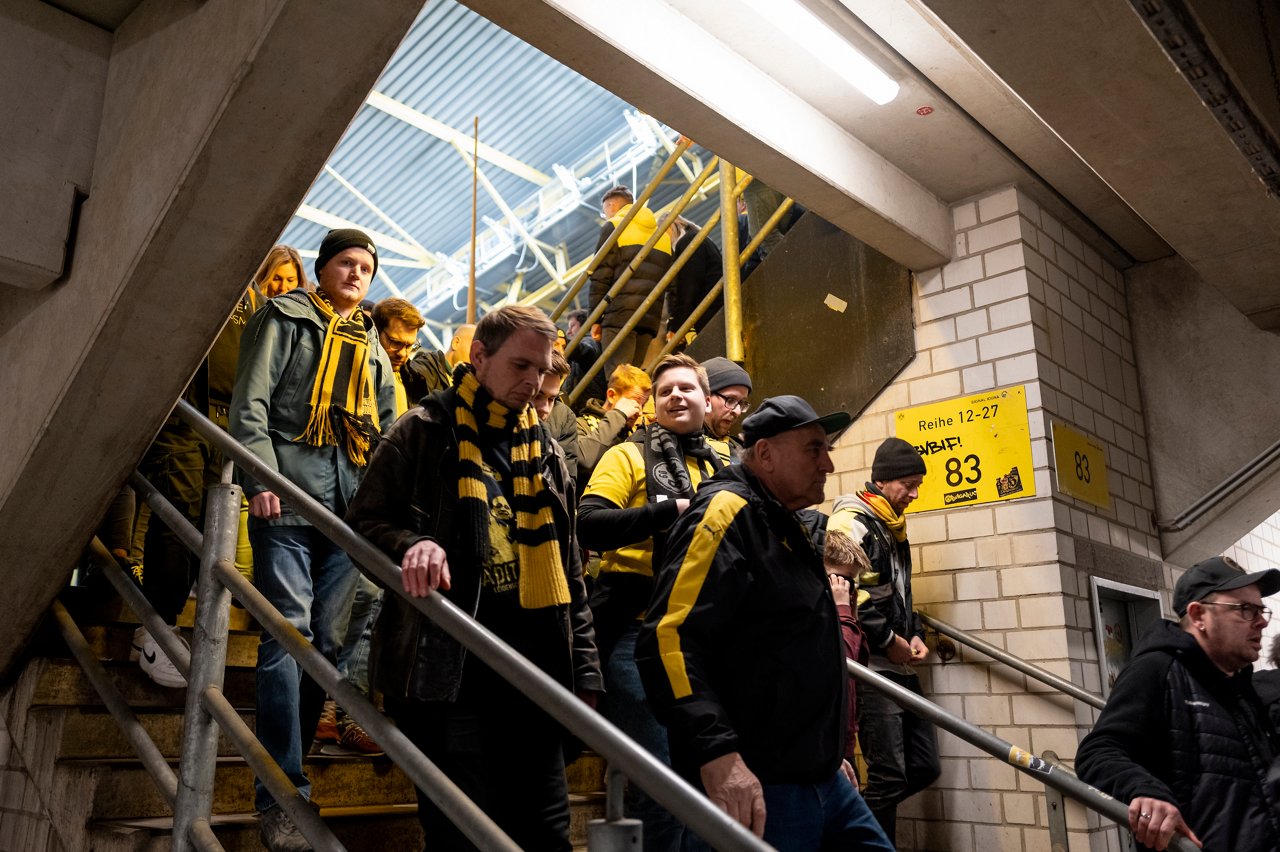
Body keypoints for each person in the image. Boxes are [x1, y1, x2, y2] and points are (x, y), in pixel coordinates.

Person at [345, 305, 601, 852]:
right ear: (479, 357)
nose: (533, 382)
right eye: (520, 366)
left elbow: (571, 575)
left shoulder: (550, 454)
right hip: (451, 678)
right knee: (461, 835)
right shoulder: (423, 430)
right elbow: (364, 524)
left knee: (547, 834)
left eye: (542, 368)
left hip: (536, 676)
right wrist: (411, 544)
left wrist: (587, 673)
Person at [636, 395, 892, 851]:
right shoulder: (725, 513)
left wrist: (824, 750)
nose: (828, 465)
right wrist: (716, 752)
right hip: (759, 784)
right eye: (814, 449)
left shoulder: (782, 522)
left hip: (822, 780)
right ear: (766, 454)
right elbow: (667, 638)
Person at [230, 228, 396, 852]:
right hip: (288, 499)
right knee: (289, 637)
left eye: (366, 269)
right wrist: (260, 476)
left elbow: (381, 437)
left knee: (324, 646)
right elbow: (251, 403)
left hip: (346, 516)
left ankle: (288, 781)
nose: (356, 275)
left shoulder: (373, 348)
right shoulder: (283, 316)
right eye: (346, 264)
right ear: (322, 269)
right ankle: (281, 794)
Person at [577, 354, 726, 852]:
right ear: (652, 406)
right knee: (663, 782)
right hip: (635, 638)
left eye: (687, 388)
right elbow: (590, 520)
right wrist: (669, 511)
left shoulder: (722, 465)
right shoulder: (627, 456)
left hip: (701, 641)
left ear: (708, 401)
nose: (676, 397)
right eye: (665, 392)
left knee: (707, 780)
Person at [1077, 556, 1280, 852]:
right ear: (1198, 616)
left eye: (1261, 609)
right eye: (1245, 610)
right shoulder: (1158, 669)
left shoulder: (1240, 685)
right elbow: (1098, 751)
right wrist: (1145, 791)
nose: (1261, 620)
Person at [827, 436, 939, 841]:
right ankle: (849, 836)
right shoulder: (852, 520)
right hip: (873, 666)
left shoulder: (892, 525)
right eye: (908, 484)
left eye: (916, 485)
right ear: (884, 480)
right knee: (888, 778)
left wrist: (916, 634)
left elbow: (900, 592)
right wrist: (888, 638)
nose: (913, 494)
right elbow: (843, 585)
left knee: (925, 766)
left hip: (899, 661)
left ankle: (843, 826)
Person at [588, 186, 673, 376]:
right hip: (649, 318)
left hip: (619, 314)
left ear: (611, 206)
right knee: (635, 380)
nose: (606, 216)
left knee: (618, 379)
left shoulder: (614, 227)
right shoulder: (661, 236)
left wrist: (594, 318)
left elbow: (601, 275)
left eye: (605, 212)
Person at [825, 529, 871, 777]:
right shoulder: (815, 614)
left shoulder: (843, 614)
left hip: (844, 740)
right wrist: (842, 610)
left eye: (851, 582)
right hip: (827, 744)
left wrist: (850, 612)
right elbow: (844, 661)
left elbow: (860, 663)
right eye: (839, 579)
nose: (846, 588)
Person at [576, 364, 652, 488]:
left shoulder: (631, 434)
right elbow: (585, 460)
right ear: (611, 395)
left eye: (642, 406)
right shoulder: (579, 425)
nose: (639, 412)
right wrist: (619, 414)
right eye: (634, 403)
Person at [664, 216, 723, 346]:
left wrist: (677, 325)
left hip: (709, 310)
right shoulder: (698, 236)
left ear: (669, 227)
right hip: (717, 305)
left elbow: (689, 287)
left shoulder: (686, 242)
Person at [371, 297, 426, 419]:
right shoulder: (363, 377)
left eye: (410, 346)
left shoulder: (412, 380)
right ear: (375, 332)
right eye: (395, 343)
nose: (403, 353)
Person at [534, 349, 581, 485]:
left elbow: (567, 486)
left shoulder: (565, 416)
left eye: (551, 399)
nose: (545, 409)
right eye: (537, 395)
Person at [700, 357, 752, 460]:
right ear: (704, 397)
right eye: (730, 399)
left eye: (742, 403)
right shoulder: (672, 446)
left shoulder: (741, 451)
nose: (737, 411)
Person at [565, 308, 606, 408]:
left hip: (586, 405)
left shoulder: (590, 341)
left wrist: (561, 341)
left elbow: (586, 351)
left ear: (584, 325)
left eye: (572, 326)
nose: (568, 332)